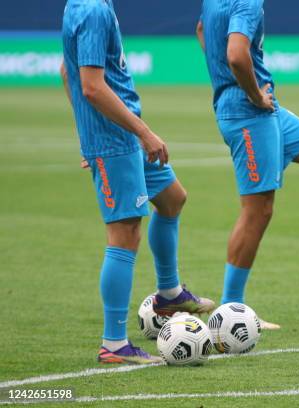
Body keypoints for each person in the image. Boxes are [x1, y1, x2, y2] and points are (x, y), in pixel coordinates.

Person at [197, 0, 299, 328]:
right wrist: (252, 94)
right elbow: (235, 54)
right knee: (257, 209)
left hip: (264, 111)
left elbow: (202, 30)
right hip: (250, 111)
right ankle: (231, 311)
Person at [61, 0, 214, 364]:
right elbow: (91, 87)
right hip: (115, 140)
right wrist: (142, 132)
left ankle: (169, 293)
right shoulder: (94, 10)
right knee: (125, 233)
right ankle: (113, 344)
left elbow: (66, 72)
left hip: (119, 136)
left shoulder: (83, 5)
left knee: (172, 198)